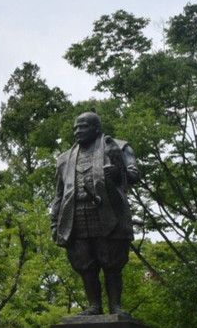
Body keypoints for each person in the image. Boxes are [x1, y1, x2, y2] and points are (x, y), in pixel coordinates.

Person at [50, 110, 139, 315]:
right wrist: (55, 222)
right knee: (84, 263)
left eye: (83, 127)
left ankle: (115, 306)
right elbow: (59, 195)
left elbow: (134, 175)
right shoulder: (64, 159)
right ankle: (94, 306)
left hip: (109, 213)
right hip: (76, 216)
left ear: (97, 128)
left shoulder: (117, 147)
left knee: (112, 261)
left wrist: (120, 172)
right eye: (76, 128)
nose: (78, 132)